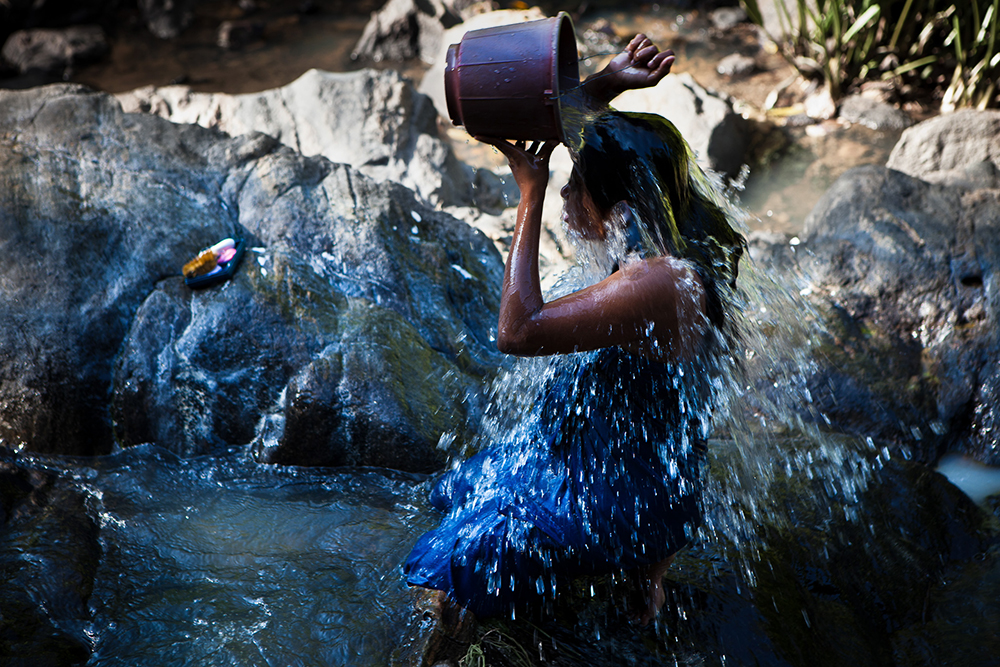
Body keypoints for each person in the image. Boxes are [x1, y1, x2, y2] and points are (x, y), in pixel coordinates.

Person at [404, 33, 745, 625]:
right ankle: (641, 585)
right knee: (461, 486)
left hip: (624, 498)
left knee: (458, 561)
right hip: (629, 468)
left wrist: (529, 196)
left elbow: (517, 332)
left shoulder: (656, 283)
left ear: (619, 207)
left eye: (574, 184)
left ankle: (624, 579)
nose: (566, 190)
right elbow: (607, 146)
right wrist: (605, 84)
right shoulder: (671, 233)